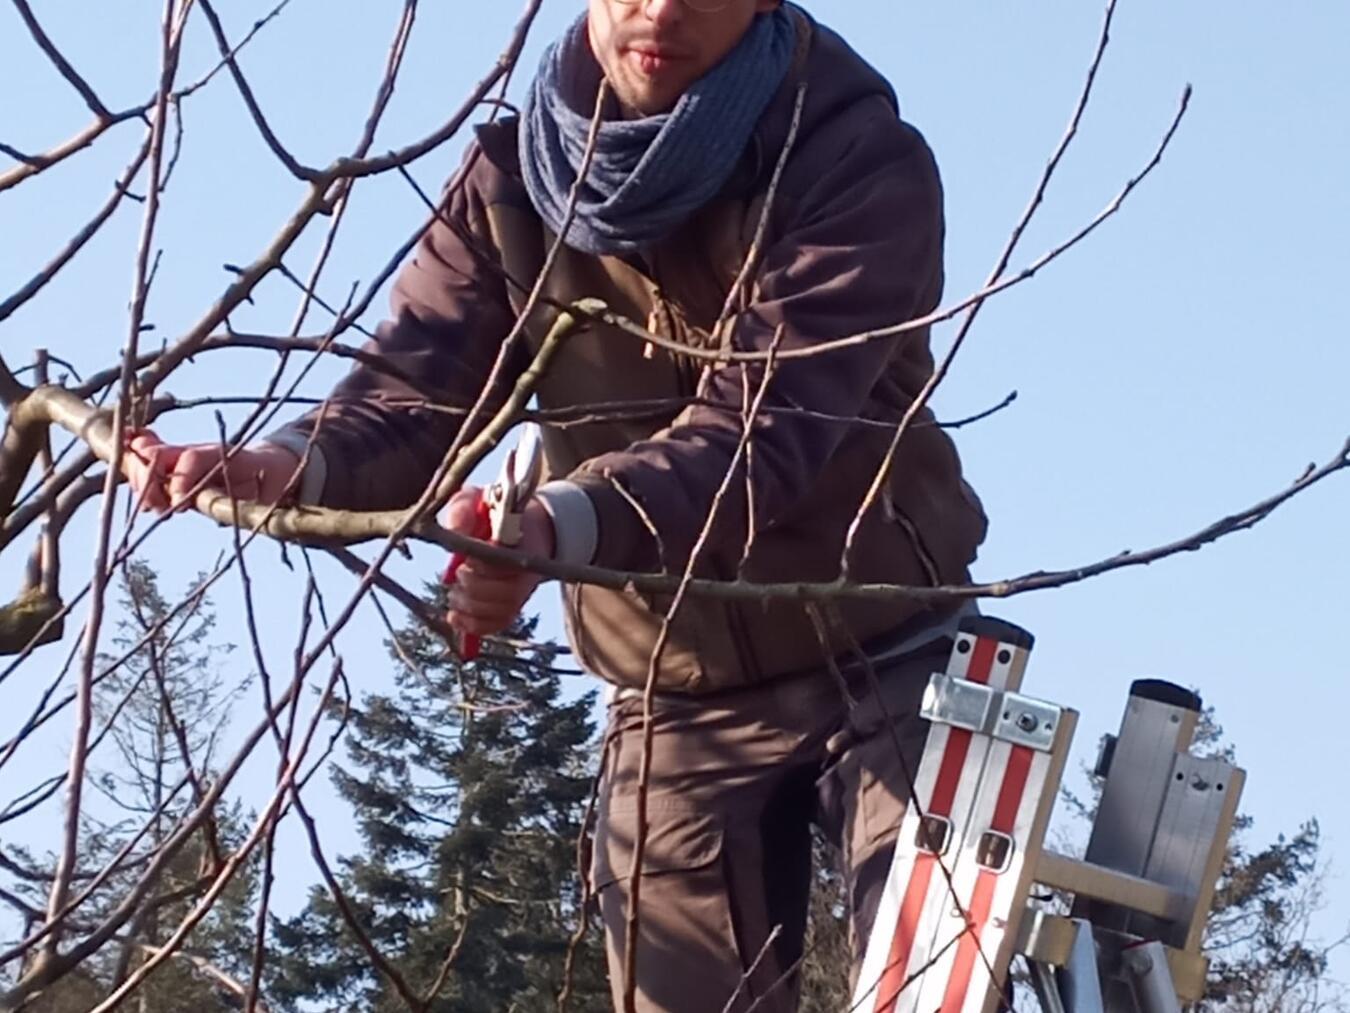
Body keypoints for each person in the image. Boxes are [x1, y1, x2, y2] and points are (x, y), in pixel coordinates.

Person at [124, 0, 988, 1008]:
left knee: (946, 976)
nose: (661, 9)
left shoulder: (853, 158)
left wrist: (552, 531)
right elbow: (416, 393)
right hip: (671, 690)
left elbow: (763, 430)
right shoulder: (511, 180)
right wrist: (288, 464)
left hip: (886, 649)